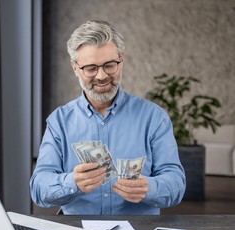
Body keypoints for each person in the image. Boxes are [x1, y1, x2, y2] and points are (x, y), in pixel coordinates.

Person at [30, 20, 186, 215]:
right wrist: (72, 182)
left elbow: (177, 183)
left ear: (121, 60)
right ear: (75, 68)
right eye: (91, 68)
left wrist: (150, 188)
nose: (102, 76)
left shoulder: (154, 117)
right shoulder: (59, 121)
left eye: (109, 65)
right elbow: (38, 188)